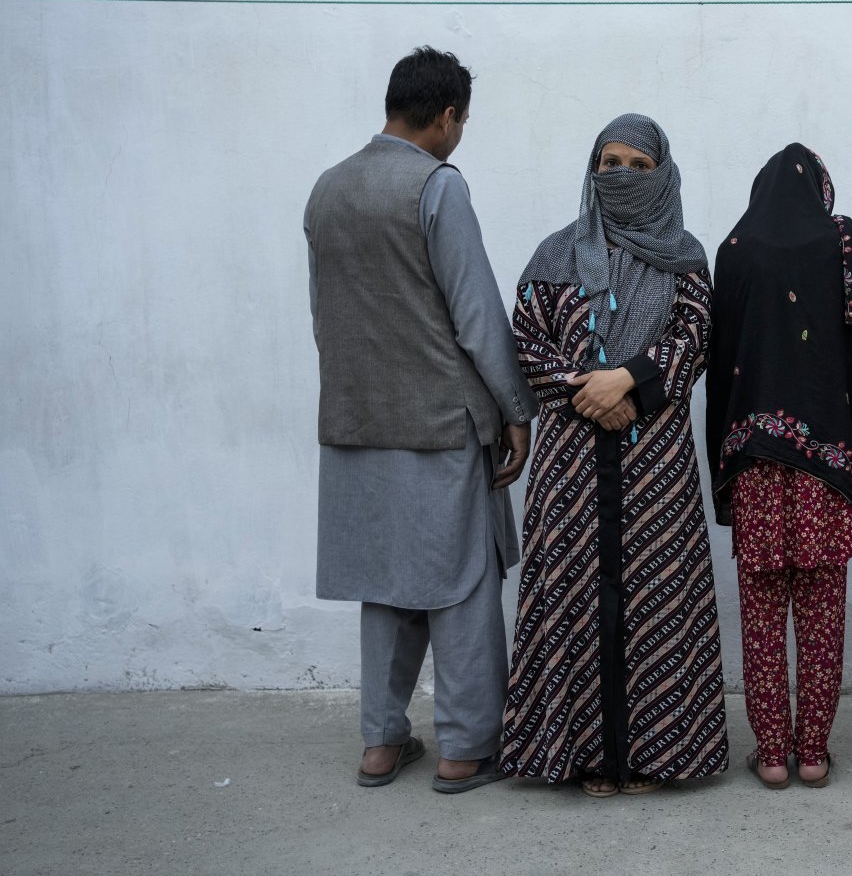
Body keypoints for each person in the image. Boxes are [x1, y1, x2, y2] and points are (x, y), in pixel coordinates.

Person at [303, 46, 530, 794]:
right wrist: (515, 410)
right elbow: (476, 316)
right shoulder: (437, 189)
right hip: (439, 420)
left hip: (357, 420)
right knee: (460, 584)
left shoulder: (328, 189)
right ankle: (465, 749)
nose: (460, 135)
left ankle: (380, 743)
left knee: (388, 585)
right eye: (461, 122)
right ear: (444, 117)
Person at [499, 114, 729, 798]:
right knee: (573, 600)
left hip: (652, 463)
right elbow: (526, 347)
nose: (620, 175)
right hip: (570, 462)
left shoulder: (684, 256)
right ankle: (585, 757)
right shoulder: (552, 256)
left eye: (637, 164)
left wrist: (628, 379)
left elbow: (696, 339)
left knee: (656, 601)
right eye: (609, 161)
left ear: (661, 174)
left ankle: (657, 755)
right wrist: (588, 387)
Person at [706, 143, 852, 790]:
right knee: (820, 614)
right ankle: (813, 752)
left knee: (760, 616)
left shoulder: (734, 249)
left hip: (754, 462)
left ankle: (773, 756)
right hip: (826, 468)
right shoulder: (842, 241)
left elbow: (715, 354)